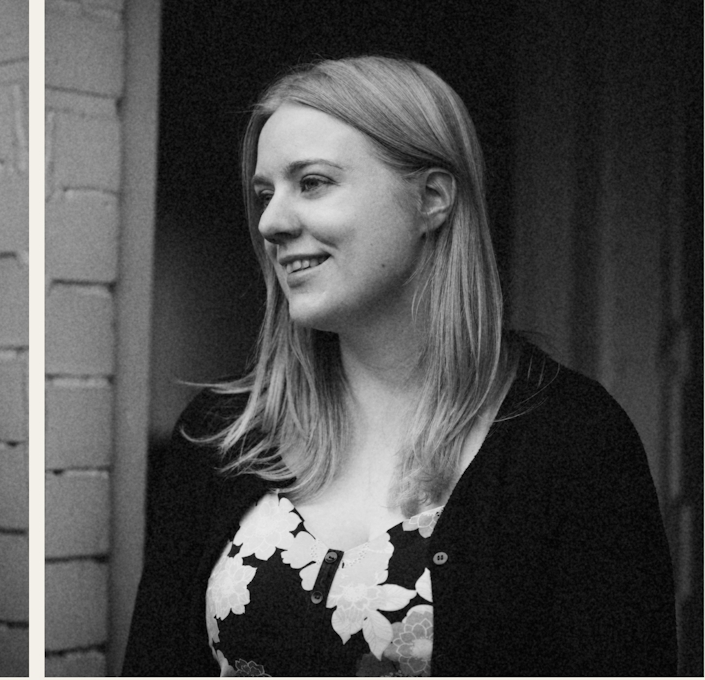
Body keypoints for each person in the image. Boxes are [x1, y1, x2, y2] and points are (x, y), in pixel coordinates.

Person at [123, 56, 676, 677]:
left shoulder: (573, 443)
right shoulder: (222, 436)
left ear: (432, 199)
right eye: (263, 194)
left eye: (312, 182)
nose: (271, 222)